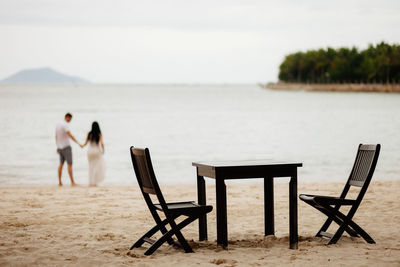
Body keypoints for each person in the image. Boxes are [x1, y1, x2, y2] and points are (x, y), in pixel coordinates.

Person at [55, 113, 81, 186]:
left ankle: (60, 182)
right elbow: (69, 134)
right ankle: (72, 182)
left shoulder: (58, 124)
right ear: (68, 117)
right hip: (66, 146)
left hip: (60, 147)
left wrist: (57, 146)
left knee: (61, 164)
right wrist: (78, 143)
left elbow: (56, 136)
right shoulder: (65, 124)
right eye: (70, 119)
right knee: (69, 164)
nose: (70, 120)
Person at [82, 121, 105, 186]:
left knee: (90, 167)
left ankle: (90, 182)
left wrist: (82, 146)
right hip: (97, 151)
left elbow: (86, 143)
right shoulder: (99, 134)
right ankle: (95, 182)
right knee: (96, 167)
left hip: (90, 151)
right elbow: (101, 143)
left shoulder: (89, 134)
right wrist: (103, 150)